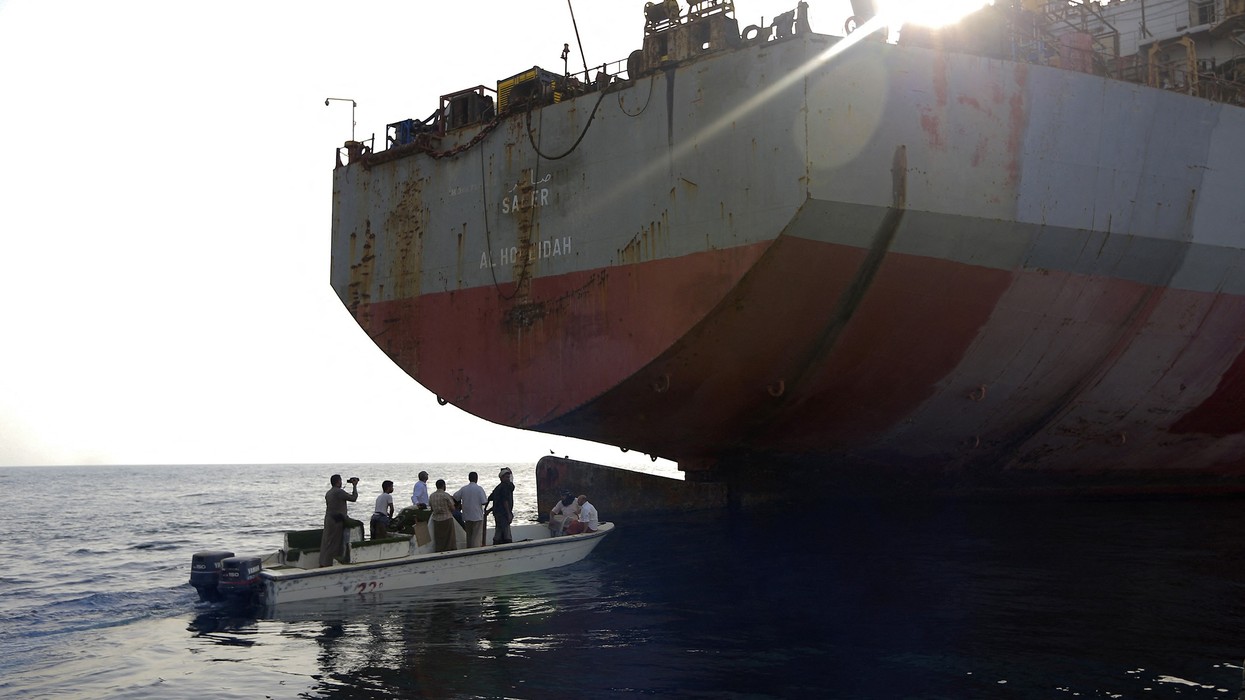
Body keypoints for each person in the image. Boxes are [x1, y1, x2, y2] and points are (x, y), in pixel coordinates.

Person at [319, 474, 359, 567]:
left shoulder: (328, 492)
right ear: (338, 482)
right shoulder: (339, 492)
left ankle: (323, 562)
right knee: (334, 543)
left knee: (327, 542)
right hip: (336, 520)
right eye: (340, 481)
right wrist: (354, 486)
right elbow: (354, 498)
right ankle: (328, 564)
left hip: (329, 519)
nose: (341, 482)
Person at [454, 471, 489, 548]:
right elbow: (484, 502)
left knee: (469, 535)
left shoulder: (464, 489)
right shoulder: (479, 489)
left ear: (469, 478)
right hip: (477, 516)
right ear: (477, 479)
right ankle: (475, 550)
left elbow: (455, 496)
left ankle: (469, 548)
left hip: (466, 515)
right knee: (476, 536)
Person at [487, 467, 516, 544]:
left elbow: (491, 499)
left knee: (499, 530)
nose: (508, 479)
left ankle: (496, 544)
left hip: (497, 513)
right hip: (503, 514)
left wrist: (488, 510)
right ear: (502, 478)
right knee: (506, 531)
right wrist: (508, 513)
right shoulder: (505, 487)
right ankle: (507, 545)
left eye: (508, 477)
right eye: (506, 477)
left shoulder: (497, 488)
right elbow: (505, 501)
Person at [428, 479, 458, 552]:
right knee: (450, 538)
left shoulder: (432, 496)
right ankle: (450, 550)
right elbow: (452, 508)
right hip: (447, 518)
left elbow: (431, 508)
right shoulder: (446, 495)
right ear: (443, 486)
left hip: (436, 520)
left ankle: (440, 551)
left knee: (439, 538)